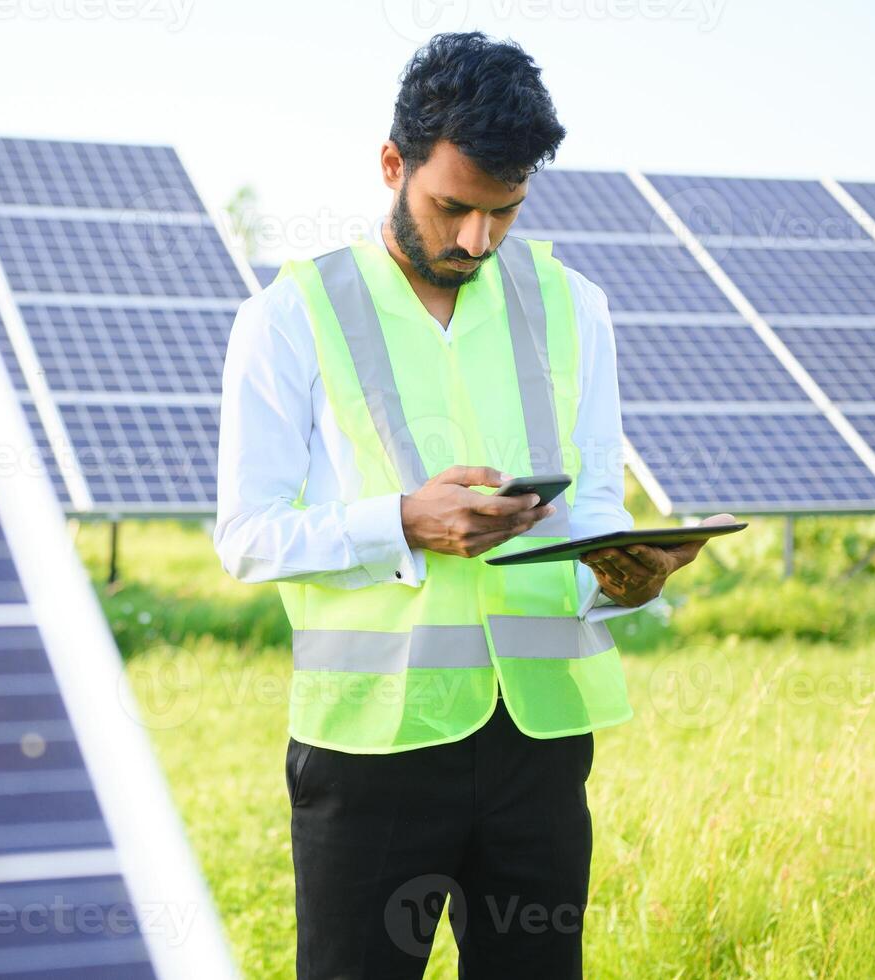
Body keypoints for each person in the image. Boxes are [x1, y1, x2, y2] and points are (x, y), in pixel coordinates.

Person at [213, 31, 733, 980]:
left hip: (538, 742)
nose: (474, 241)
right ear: (389, 164)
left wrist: (626, 574)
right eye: (451, 207)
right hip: (372, 745)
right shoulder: (290, 314)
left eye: (503, 212)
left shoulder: (574, 306)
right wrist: (403, 522)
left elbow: (593, 509)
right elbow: (245, 538)